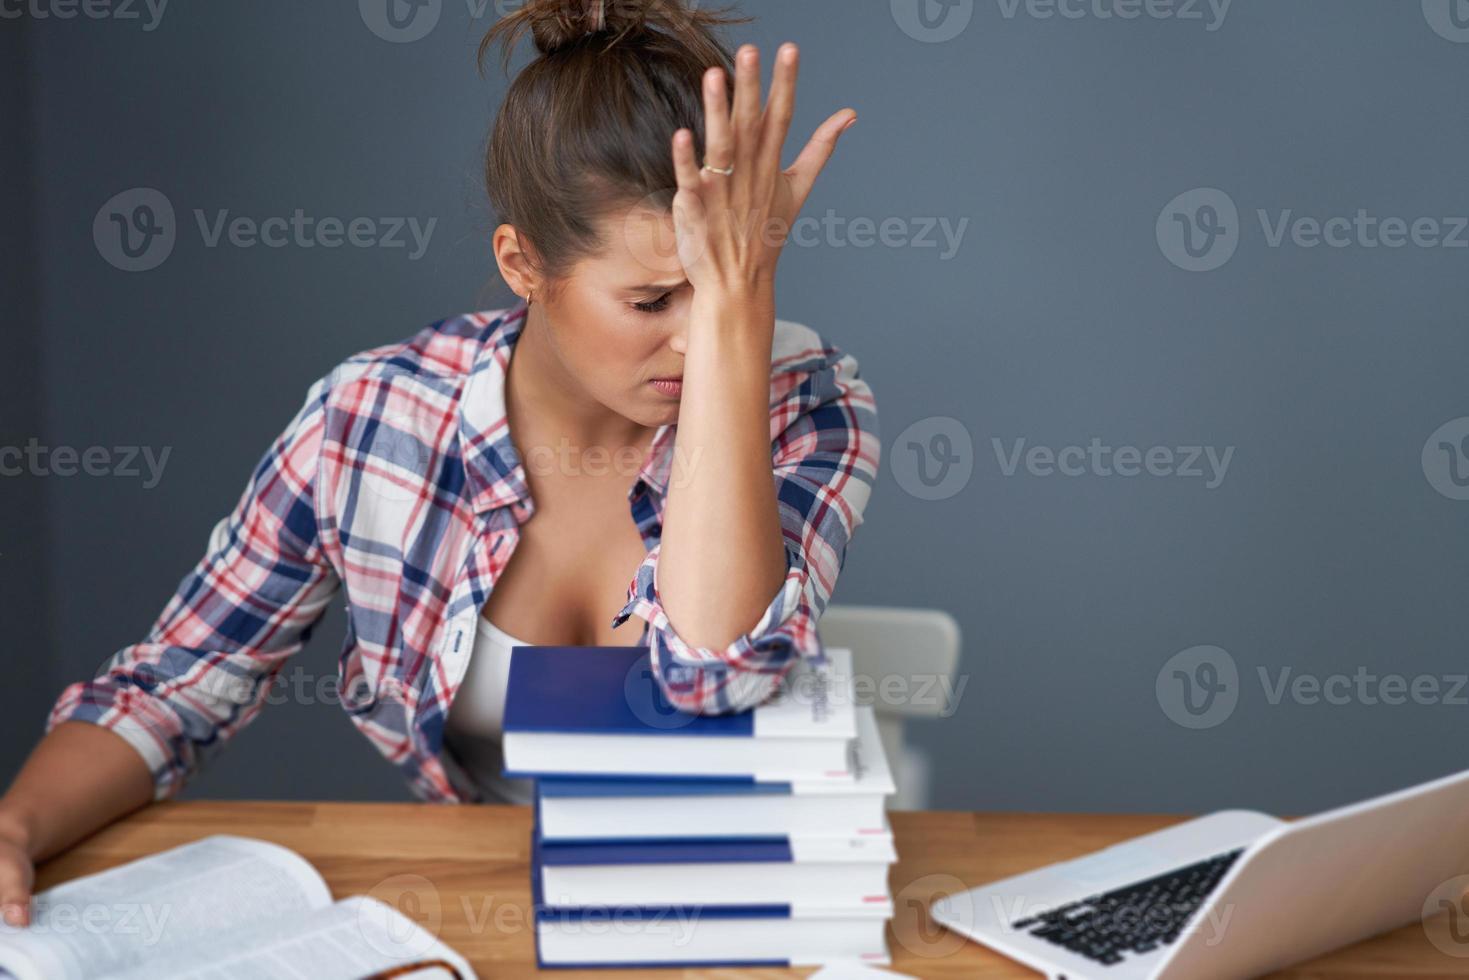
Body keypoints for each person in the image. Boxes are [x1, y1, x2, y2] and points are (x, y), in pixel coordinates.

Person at [0, 0, 878, 929]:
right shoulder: (372, 419)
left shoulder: (807, 406)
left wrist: (742, 310)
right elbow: (179, 684)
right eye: (654, 298)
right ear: (521, 263)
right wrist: (14, 828)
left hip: (732, 908)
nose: (696, 343)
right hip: (481, 906)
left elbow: (715, 676)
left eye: (726, 288)